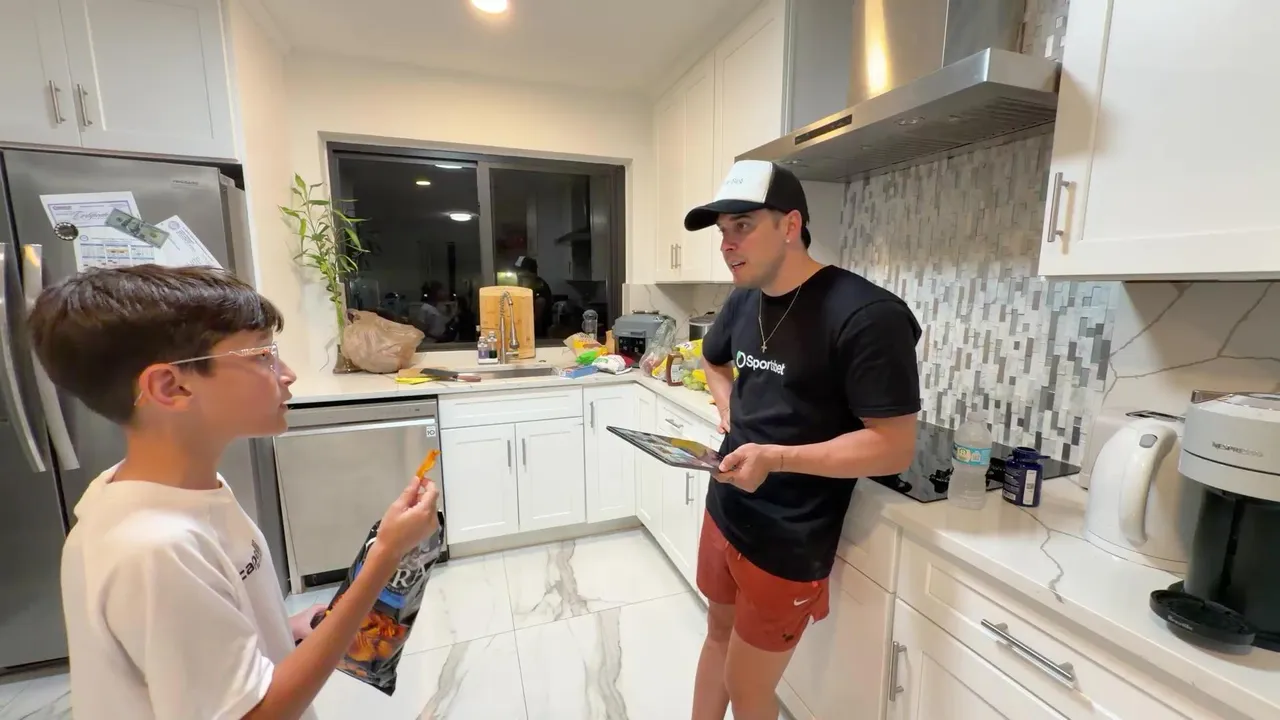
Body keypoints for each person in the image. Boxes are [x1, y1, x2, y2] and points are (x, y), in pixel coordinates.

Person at [28, 265, 441, 720]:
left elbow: (197, 638)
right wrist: (385, 555)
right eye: (262, 355)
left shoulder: (180, 491)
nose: (287, 374)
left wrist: (276, 631)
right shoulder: (152, 549)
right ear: (171, 386)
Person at [685, 161, 922, 720]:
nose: (727, 244)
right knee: (716, 636)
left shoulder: (867, 315)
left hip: (789, 535)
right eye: (723, 231)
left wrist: (776, 457)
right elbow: (713, 359)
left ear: (790, 225)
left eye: (743, 226)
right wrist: (728, 407)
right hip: (725, 508)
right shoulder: (745, 297)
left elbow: (893, 446)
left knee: (748, 688)